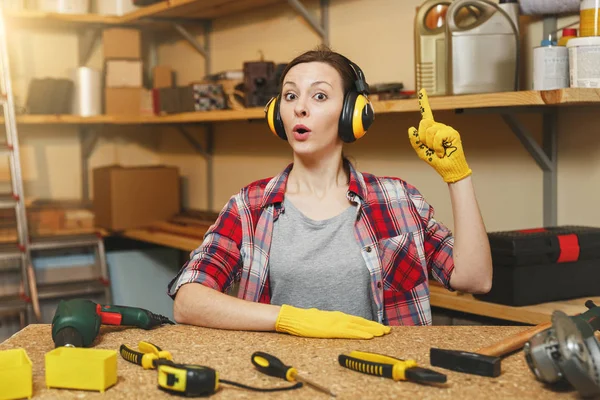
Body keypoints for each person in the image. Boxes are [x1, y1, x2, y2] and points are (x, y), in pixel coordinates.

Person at [167, 46, 493, 339]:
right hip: (280, 378)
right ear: (276, 114)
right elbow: (188, 300)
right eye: (291, 96)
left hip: (385, 379)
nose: (300, 108)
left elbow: (475, 279)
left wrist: (458, 177)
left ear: (353, 114)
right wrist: (288, 318)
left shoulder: (398, 200)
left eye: (319, 96)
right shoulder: (249, 207)